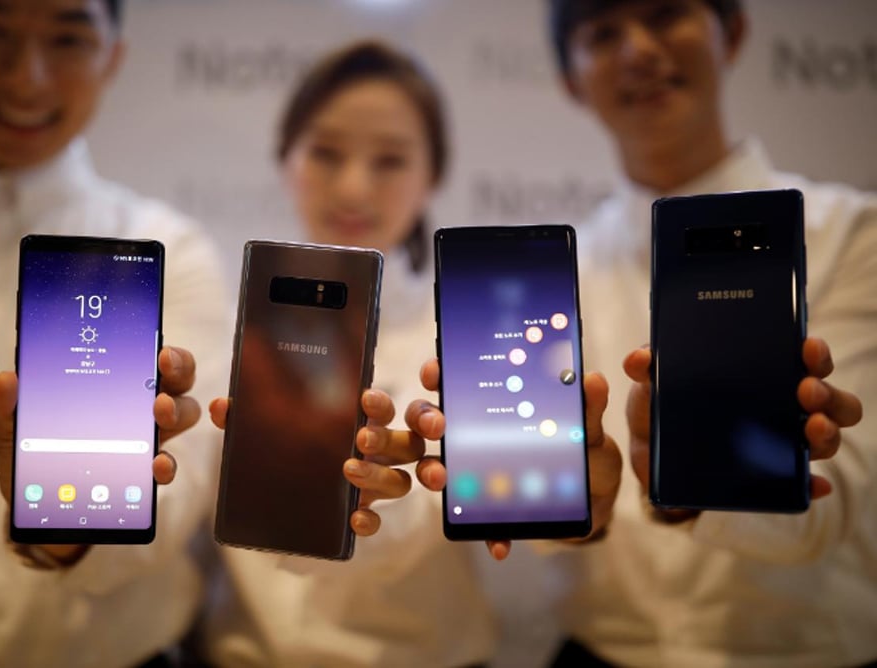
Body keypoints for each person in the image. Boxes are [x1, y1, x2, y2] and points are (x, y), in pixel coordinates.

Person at [200, 39, 624, 667]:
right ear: (285, 157)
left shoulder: (469, 337)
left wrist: (586, 511)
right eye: (325, 152)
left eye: (391, 160)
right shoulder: (222, 326)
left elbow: (533, 526)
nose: (353, 187)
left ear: (434, 176)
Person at [0, 1, 228, 665]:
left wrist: (70, 521)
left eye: (67, 38)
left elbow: (179, 500)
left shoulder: (172, 253)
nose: (26, 77)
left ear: (112, 57)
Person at [530, 0, 872, 665]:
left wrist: (688, 496)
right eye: (604, 33)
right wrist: (574, 509)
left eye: (665, 14)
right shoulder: (555, 271)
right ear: (571, 78)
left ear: (732, 32)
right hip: (598, 651)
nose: (638, 50)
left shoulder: (854, 235)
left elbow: (842, 496)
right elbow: (547, 519)